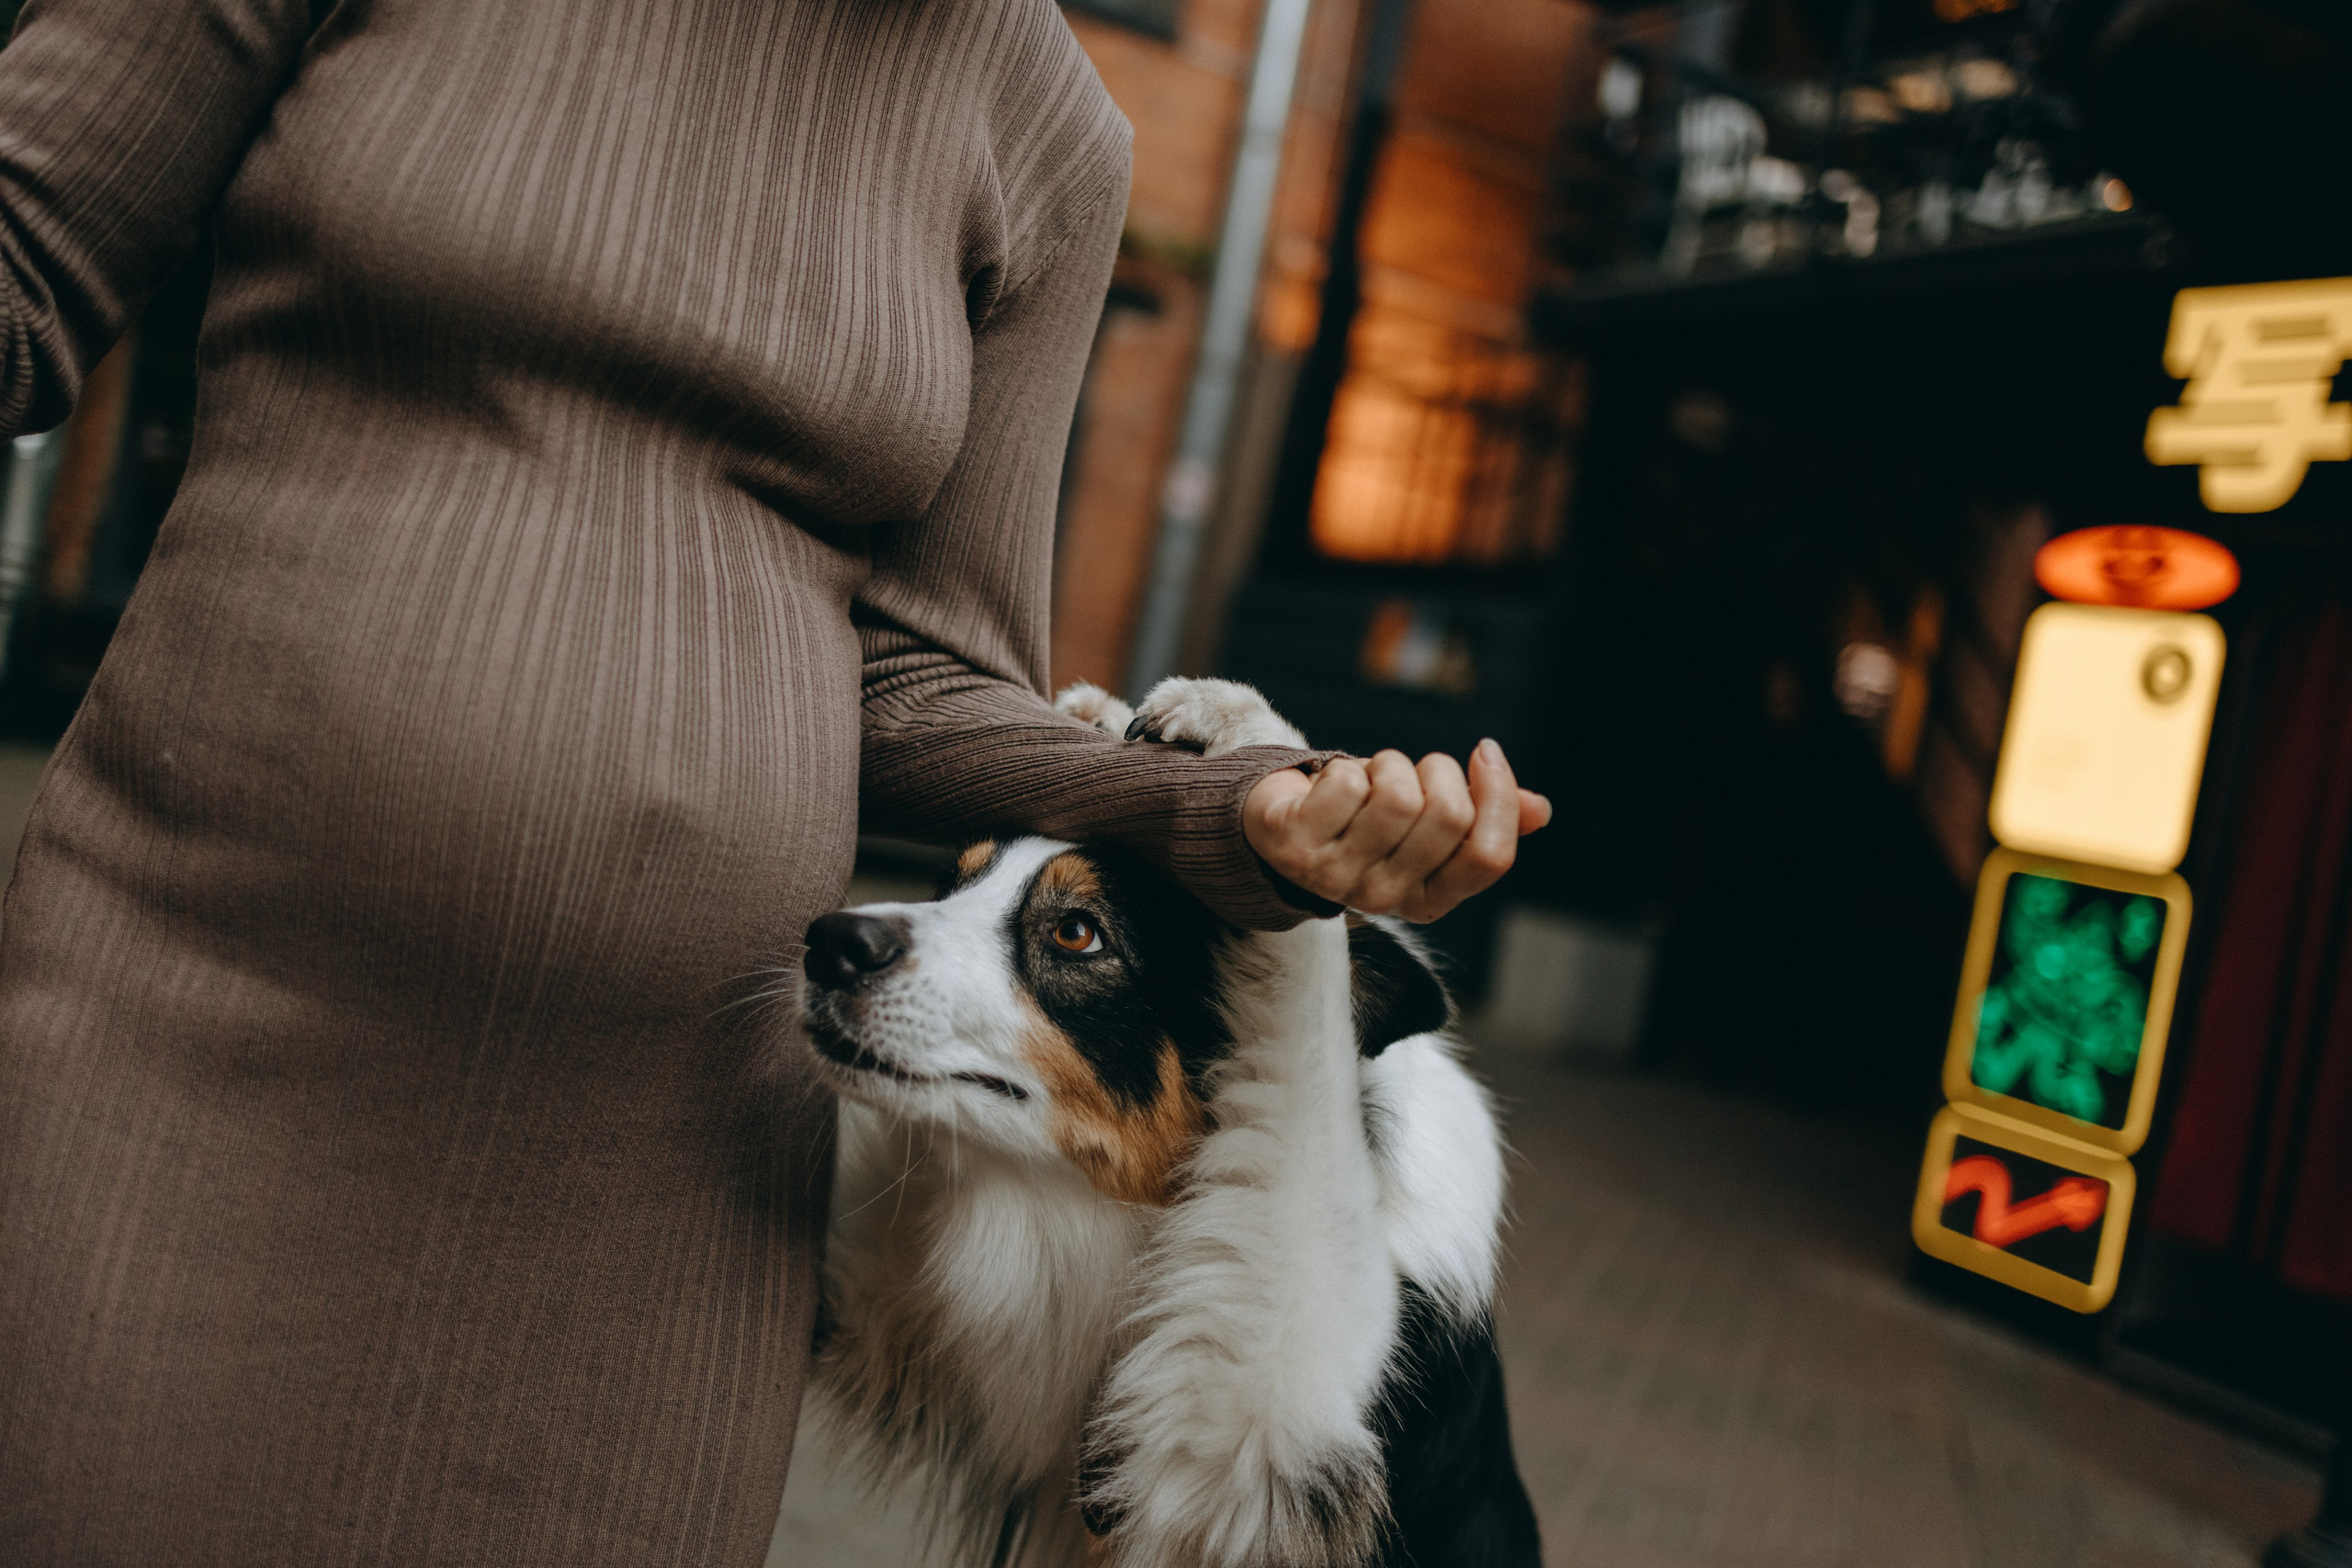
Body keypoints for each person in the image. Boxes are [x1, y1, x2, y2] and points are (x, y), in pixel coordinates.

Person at [0, 1, 1547, 1562]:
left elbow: (930, 675)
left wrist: (1233, 818)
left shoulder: (1046, 122)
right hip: (198, 1001)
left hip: (661, 1132)